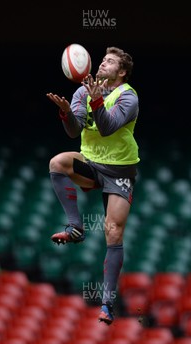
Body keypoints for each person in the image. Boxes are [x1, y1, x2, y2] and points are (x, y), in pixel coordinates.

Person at [46, 46, 139, 325]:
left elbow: (109, 127)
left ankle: (108, 304)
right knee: (57, 163)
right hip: (91, 162)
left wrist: (97, 101)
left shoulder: (129, 96)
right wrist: (66, 115)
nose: (102, 63)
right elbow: (74, 131)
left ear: (121, 71)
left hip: (119, 170)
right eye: (102, 59)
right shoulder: (81, 92)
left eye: (110, 61)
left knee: (113, 232)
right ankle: (75, 227)